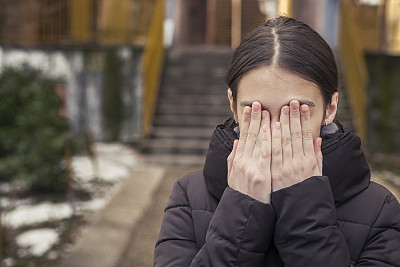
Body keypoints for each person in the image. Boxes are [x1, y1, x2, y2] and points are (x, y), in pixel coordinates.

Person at [153, 16, 400, 266]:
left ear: (330, 108)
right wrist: (241, 208)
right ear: (233, 106)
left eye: (296, 113)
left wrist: (305, 210)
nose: (274, 131)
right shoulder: (189, 196)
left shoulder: (380, 209)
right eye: (256, 111)